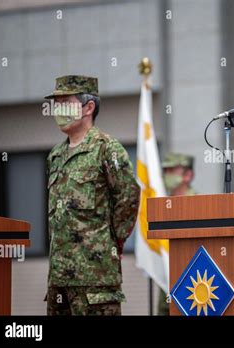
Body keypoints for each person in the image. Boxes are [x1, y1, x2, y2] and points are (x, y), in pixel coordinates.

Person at [44, 75, 140, 315]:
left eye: (65, 102)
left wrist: (109, 242)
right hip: (59, 278)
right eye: (56, 104)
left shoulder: (106, 148)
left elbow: (128, 197)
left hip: (94, 277)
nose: (58, 109)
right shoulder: (55, 155)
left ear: (88, 107)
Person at [157, 152, 196, 315]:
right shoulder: (161, 206)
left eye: (172, 171)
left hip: (193, 280)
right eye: (165, 171)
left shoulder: (201, 205)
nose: (167, 175)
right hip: (165, 276)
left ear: (188, 175)